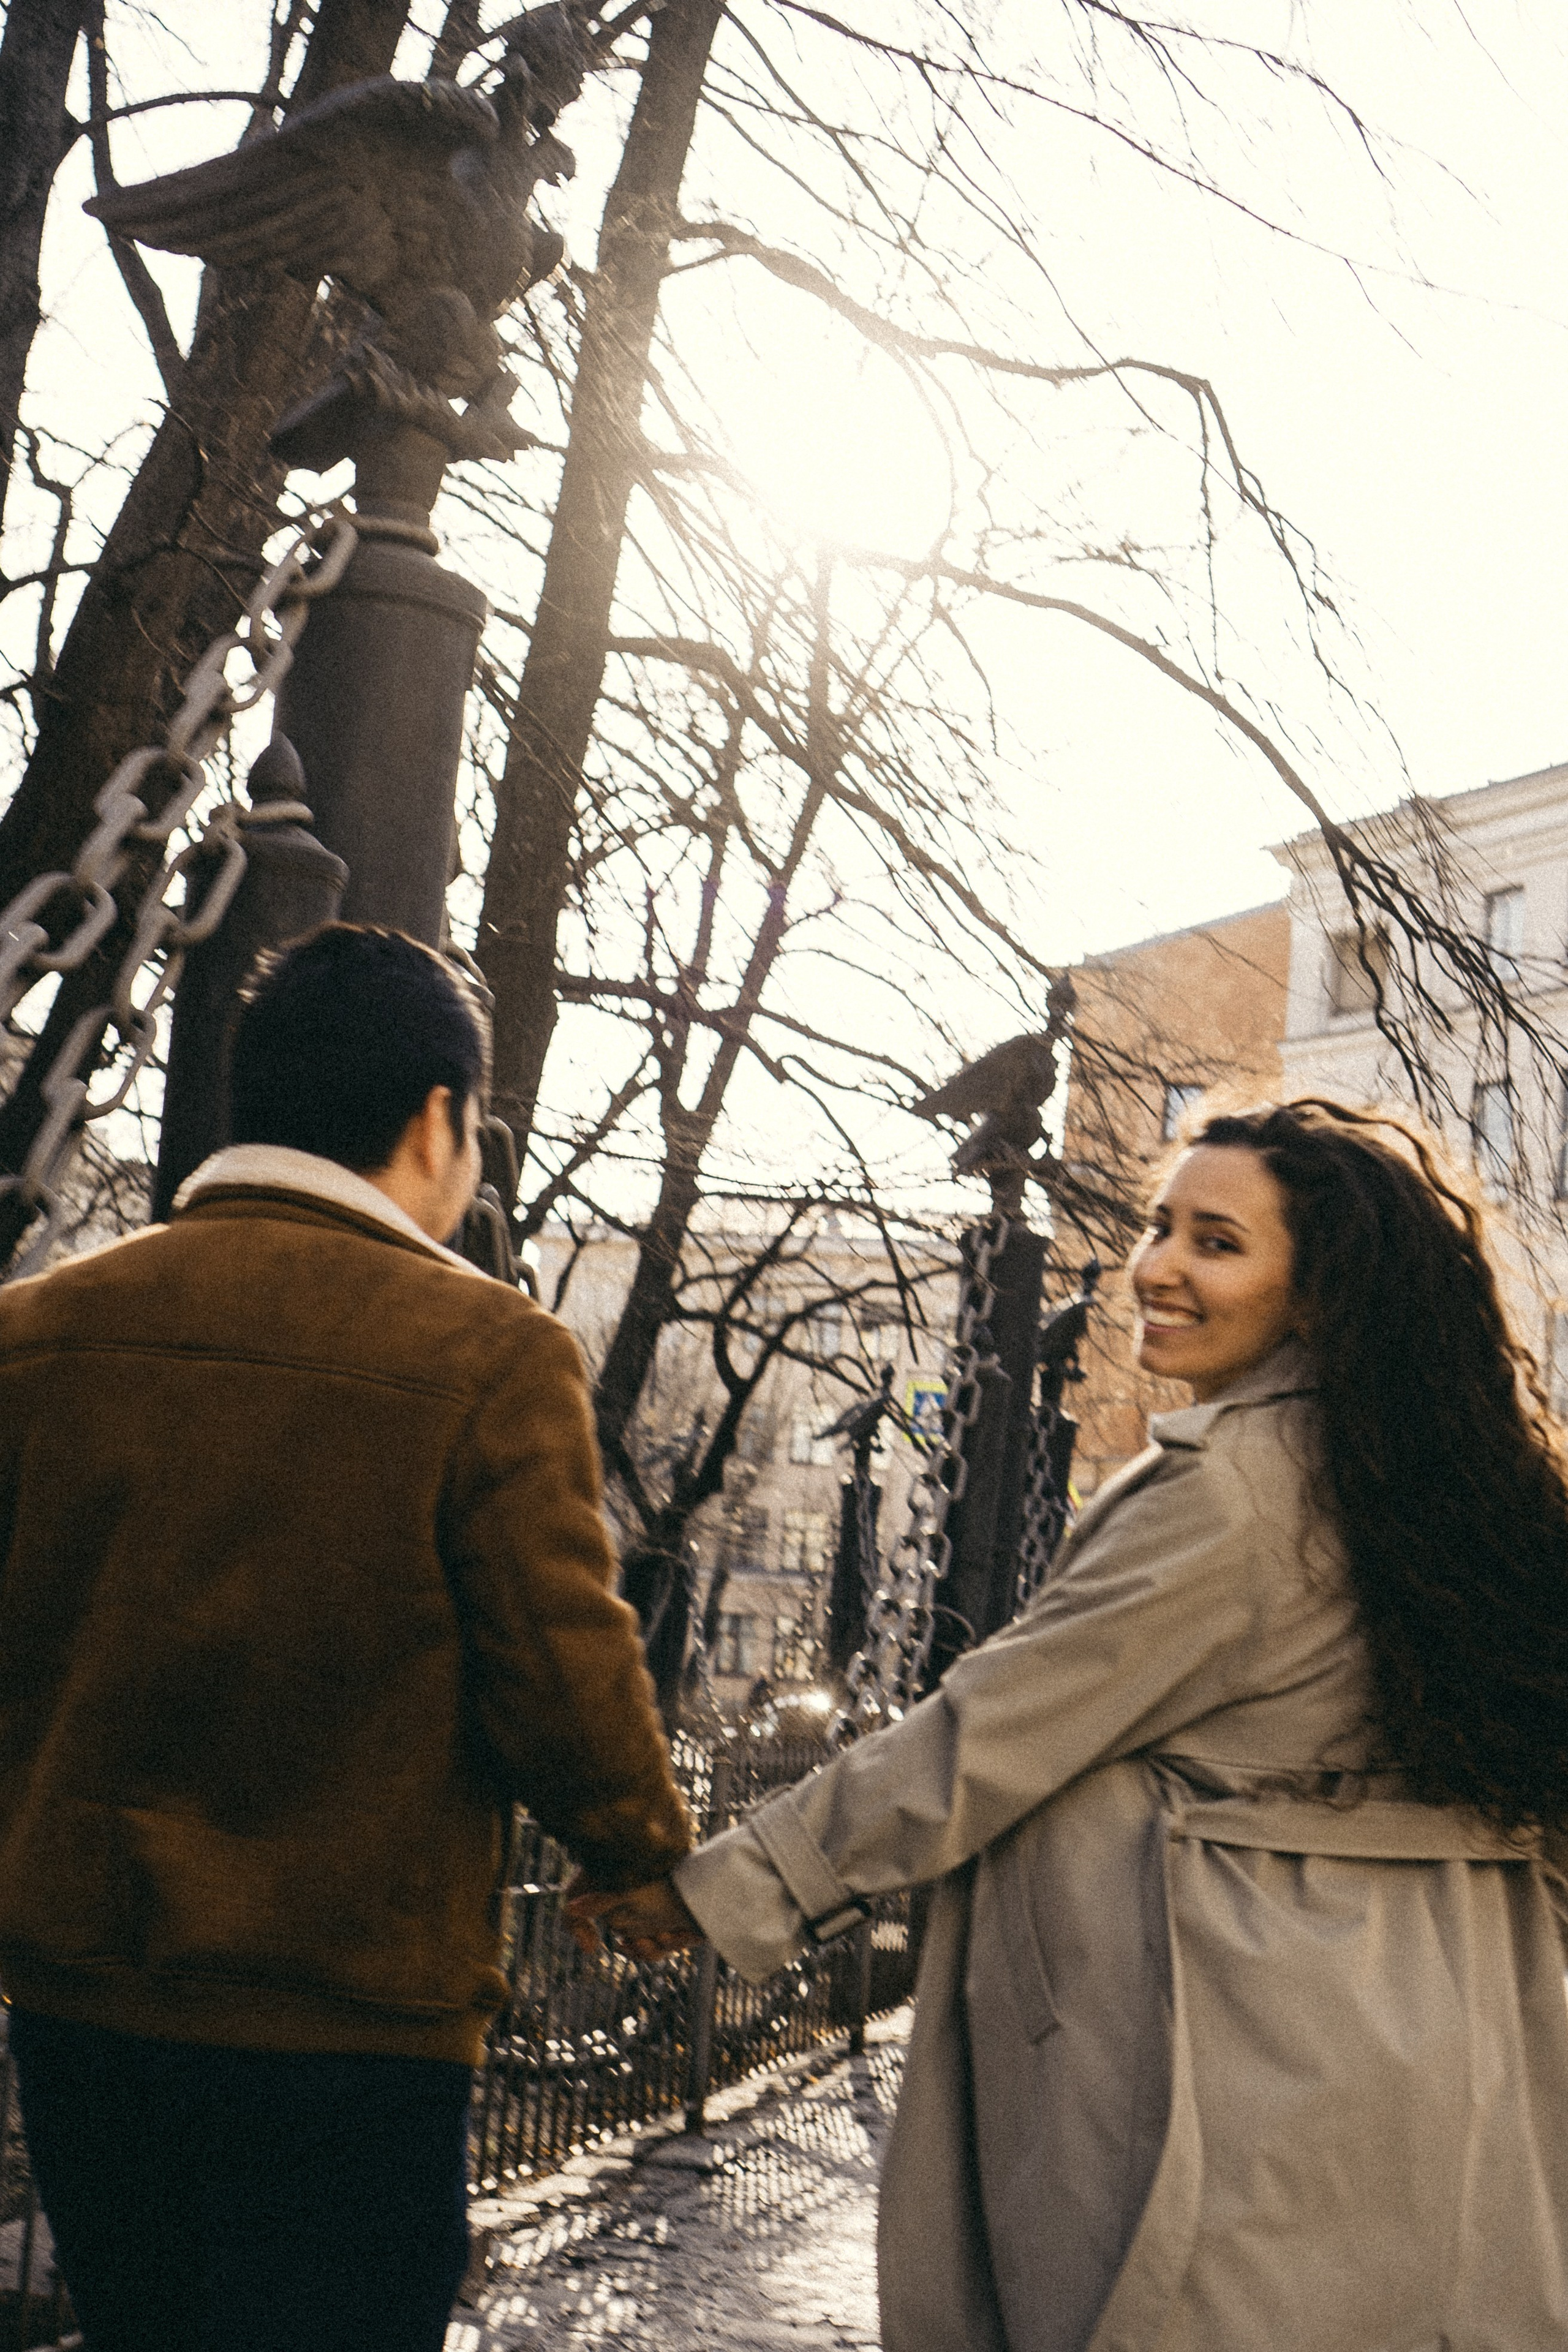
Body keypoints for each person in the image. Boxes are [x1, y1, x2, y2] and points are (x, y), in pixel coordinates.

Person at [573, 1098, 1568, 2351]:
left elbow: (981, 1733)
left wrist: (728, 1891)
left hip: (1240, 2064)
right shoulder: (1428, 1484)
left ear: (1317, 1295)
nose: (1156, 1266)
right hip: (1429, 2059)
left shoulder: (1232, 1491)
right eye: (1159, 1227)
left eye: (1215, 1242)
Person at [0, 923, 690, 2352]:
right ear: (441, 1117)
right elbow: (562, 1669)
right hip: (349, 2023)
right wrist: (634, 1856)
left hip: (83, 2001)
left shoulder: (39, 1333)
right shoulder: (491, 1356)